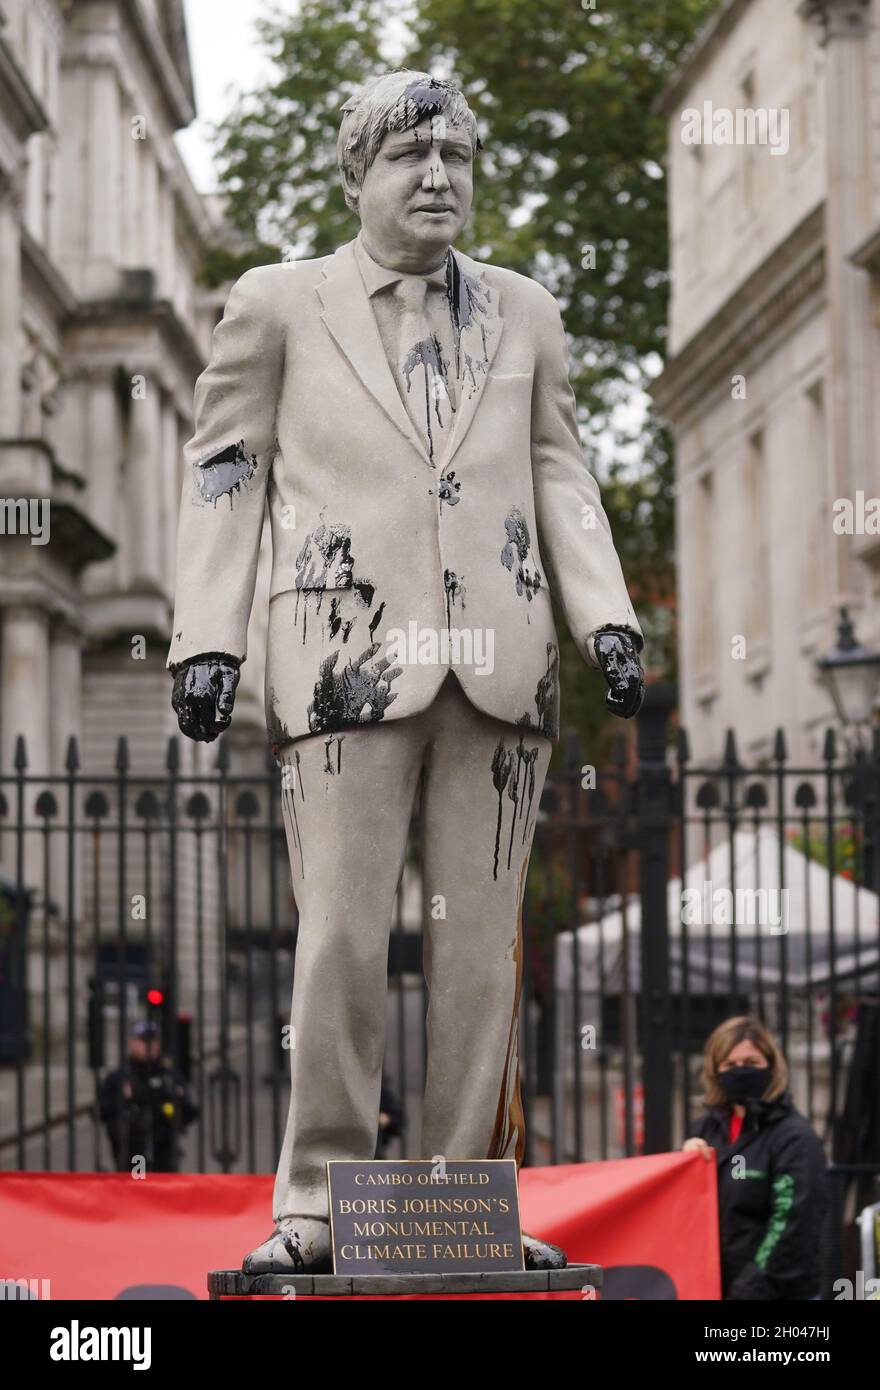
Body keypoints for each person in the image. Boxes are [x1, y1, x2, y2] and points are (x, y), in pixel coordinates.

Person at [166, 68, 644, 1274]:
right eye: (408, 156)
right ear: (355, 175)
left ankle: (463, 1199)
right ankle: (317, 1199)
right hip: (340, 666)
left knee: (483, 952)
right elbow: (226, 471)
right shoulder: (277, 305)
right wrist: (209, 638)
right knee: (337, 936)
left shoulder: (526, 312)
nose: (438, 177)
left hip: (504, 669)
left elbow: (561, 473)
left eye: (458, 158)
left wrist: (606, 619)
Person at [683, 1015, 829, 1300]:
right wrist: (683, 1168)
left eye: (750, 1063)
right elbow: (684, 1214)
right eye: (730, 1065)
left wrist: (749, 1289)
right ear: (715, 1071)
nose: (740, 1071)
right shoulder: (703, 1130)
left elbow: (794, 1225)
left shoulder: (795, 1137)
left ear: (771, 1067)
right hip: (712, 1289)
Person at [99, 1020, 199, 1173]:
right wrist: (124, 1101)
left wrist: (175, 1100)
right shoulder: (119, 1077)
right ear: (131, 1043)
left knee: (163, 1192)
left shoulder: (168, 1074)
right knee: (137, 1188)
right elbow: (102, 1111)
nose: (148, 1045)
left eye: (152, 1040)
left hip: (164, 1150)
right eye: (142, 1040)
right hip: (134, 1151)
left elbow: (190, 1111)